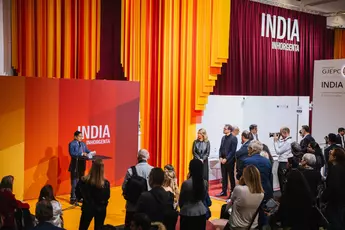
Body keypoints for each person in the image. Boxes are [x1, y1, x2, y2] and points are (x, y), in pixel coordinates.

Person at [236, 141, 273, 228]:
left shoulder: (246, 161)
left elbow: (240, 177)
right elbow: (269, 177)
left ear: (252, 149)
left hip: (252, 191)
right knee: (263, 216)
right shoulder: (267, 161)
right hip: (266, 191)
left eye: (248, 148)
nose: (247, 150)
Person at [224, 165, 264, 230]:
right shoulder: (261, 194)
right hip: (252, 226)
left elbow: (229, 206)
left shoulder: (239, 189)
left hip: (236, 226)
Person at [122, 149, 154, 229]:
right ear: (148, 157)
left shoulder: (130, 171)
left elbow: (124, 187)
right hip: (147, 207)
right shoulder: (152, 170)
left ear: (137, 157)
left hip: (131, 207)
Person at [76, 159, 110, 230]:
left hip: (87, 208)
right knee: (99, 228)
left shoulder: (83, 181)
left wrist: (82, 198)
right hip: (100, 210)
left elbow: (78, 194)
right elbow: (107, 196)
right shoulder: (105, 184)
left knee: (83, 228)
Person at [179, 159, 207, 230]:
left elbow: (181, 201)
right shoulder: (205, 183)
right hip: (201, 211)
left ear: (190, 169)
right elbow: (203, 198)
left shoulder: (186, 183)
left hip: (187, 212)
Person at [68, 130, 95, 204]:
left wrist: (91, 153)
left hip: (82, 165)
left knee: (81, 182)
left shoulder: (83, 144)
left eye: (82, 136)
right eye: (80, 136)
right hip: (75, 166)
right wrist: (81, 153)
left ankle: (80, 197)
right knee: (74, 183)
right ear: (75, 137)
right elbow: (72, 153)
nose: (81, 138)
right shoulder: (72, 144)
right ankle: (73, 198)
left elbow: (87, 150)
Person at [322, 148, 345, 229]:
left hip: (335, 202)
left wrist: (324, 197)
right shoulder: (342, 168)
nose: (329, 155)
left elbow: (333, 186)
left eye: (331, 154)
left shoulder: (335, 169)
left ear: (335, 157)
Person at [217, 124, 238, 197]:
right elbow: (220, 148)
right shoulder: (223, 138)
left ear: (229, 130)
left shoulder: (234, 138)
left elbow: (233, 151)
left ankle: (232, 192)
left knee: (231, 177)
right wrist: (220, 157)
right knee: (224, 177)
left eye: (225, 128)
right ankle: (224, 191)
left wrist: (226, 159)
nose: (223, 129)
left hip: (230, 161)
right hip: (222, 160)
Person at [273, 127, 293, 194]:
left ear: (285, 133)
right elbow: (279, 146)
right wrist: (277, 140)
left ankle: (284, 197)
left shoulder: (288, 141)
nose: (280, 135)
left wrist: (275, 142)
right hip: (282, 162)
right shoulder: (284, 140)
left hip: (284, 163)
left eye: (281, 133)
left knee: (283, 181)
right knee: (281, 180)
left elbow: (278, 151)